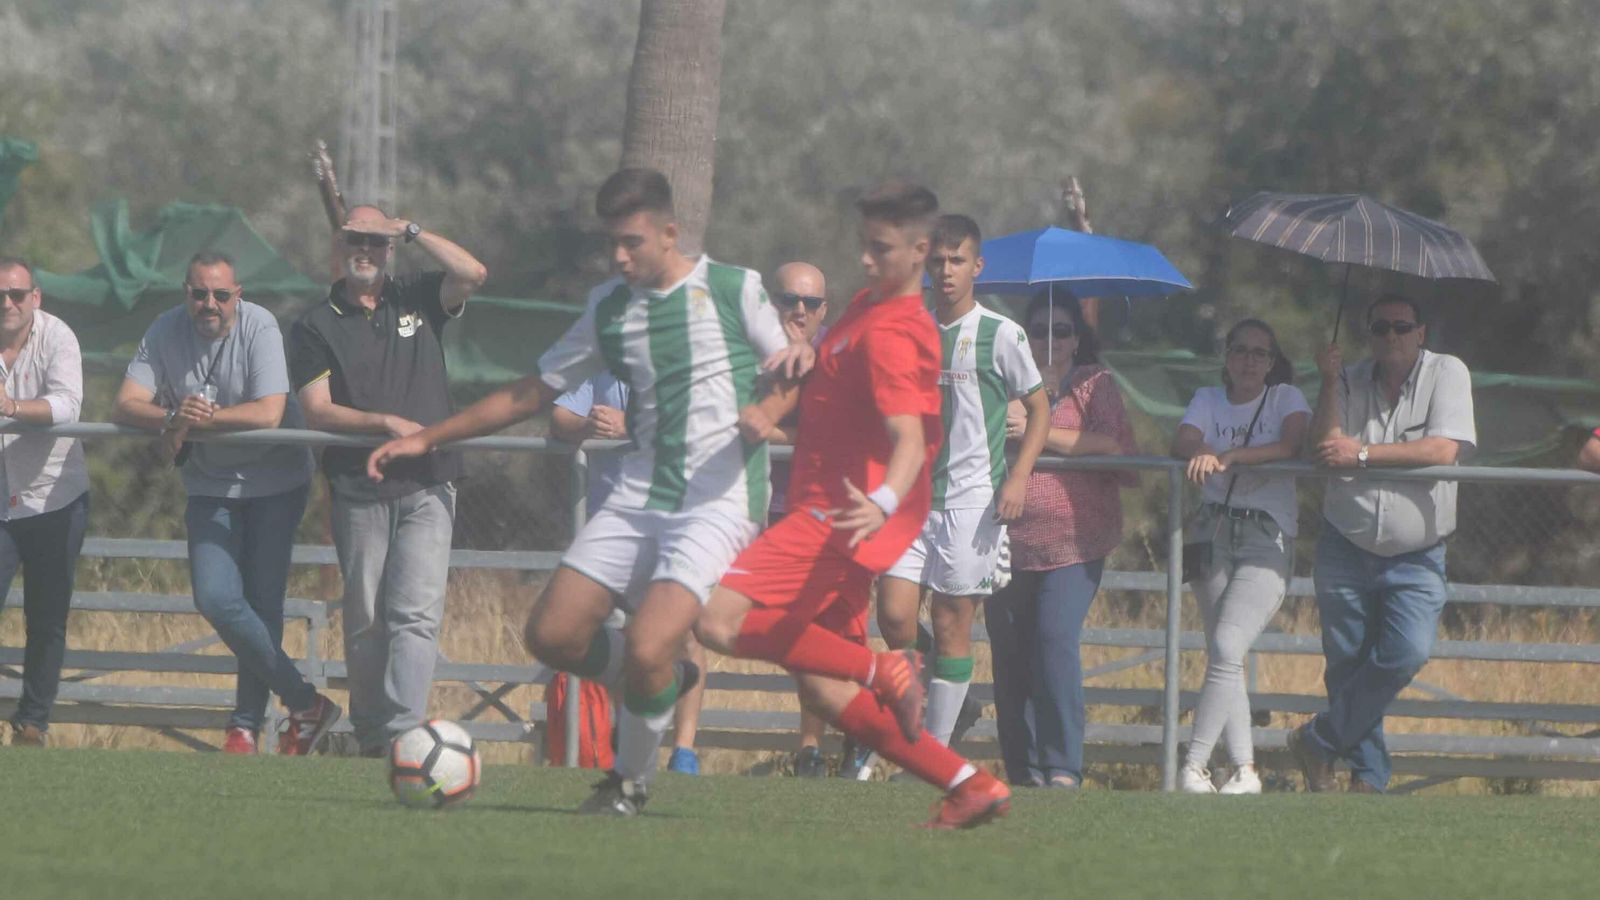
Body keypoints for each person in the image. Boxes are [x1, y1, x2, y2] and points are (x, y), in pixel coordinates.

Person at [366, 168, 791, 813]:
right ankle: (659, 681)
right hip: (639, 493)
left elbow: (791, 366)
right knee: (554, 636)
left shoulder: (734, 289)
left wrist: (771, 409)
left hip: (718, 502)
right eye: (611, 244)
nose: (619, 256)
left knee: (651, 641)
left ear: (670, 233)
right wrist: (428, 438)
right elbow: (531, 393)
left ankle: (629, 780)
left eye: (633, 242)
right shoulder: (610, 309)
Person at [694, 181, 1013, 829]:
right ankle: (969, 783)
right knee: (824, 686)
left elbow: (907, 438)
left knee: (716, 620)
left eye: (881, 249)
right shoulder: (867, 306)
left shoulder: (895, 331)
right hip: (839, 513)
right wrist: (774, 401)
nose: (865, 260)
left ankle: (883, 667)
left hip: (837, 519)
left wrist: (885, 499)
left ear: (920, 250)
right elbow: (821, 369)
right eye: (863, 246)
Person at [113, 252, 338, 755]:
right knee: (215, 597)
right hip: (210, 483)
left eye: (220, 294)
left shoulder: (261, 326)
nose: (208, 304)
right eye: (198, 293)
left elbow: (269, 412)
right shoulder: (164, 329)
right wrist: (173, 413)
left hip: (277, 482)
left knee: (263, 605)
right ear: (185, 293)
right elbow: (125, 403)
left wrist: (191, 422)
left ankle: (244, 728)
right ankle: (305, 703)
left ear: (238, 295)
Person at [288, 206, 487, 756]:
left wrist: (414, 230)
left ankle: (404, 736)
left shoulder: (418, 295)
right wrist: (383, 423)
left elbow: (473, 275)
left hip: (429, 483)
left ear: (391, 249)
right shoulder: (313, 324)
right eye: (357, 240)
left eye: (377, 243)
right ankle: (374, 735)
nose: (367, 252)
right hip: (358, 487)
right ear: (340, 245)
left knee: (415, 614)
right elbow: (317, 411)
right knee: (366, 619)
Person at [877, 214, 1049, 752]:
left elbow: (1039, 409)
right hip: (912, 499)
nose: (946, 272)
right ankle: (957, 702)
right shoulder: (911, 330)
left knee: (953, 621)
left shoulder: (1001, 333)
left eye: (957, 261)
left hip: (973, 501)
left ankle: (932, 749)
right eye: (937, 262)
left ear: (977, 266)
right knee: (894, 616)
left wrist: (1019, 475)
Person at [1291, 293, 1475, 794]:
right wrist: (1328, 381)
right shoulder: (1347, 378)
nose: (1390, 336)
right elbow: (1324, 446)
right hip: (1345, 541)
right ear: (1368, 335)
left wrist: (1364, 454)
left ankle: (1320, 739)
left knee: (1406, 653)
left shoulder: (1448, 373)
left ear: (1421, 333)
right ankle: (1367, 779)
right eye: (1379, 328)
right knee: (1346, 665)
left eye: (1400, 327)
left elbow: (1442, 448)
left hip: (1418, 551)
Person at [983, 290, 1137, 789]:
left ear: (1078, 338)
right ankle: (1023, 770)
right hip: (1006, 539)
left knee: (1054, 641)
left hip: (1076, 540)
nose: (1051, 340)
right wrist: (1026, 406)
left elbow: (1110, 443)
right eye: (1039, 331)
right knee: (1010, 655)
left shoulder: (1095, 384)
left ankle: (1063, 765)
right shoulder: (1003, 381)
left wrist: (1038, 427)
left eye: (1062, 330)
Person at [1170, 319, 1309, 794]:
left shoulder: (1285, 398)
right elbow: (1183, 438)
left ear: (1272, 363)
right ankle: (1246, 770)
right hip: (1212, 528)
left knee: (1227, 648)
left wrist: (1231, 457)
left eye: (1260, 354)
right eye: (1241, 351)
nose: (1249, 361)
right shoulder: (1208, 398)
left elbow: (1291, 444)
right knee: (1224, 656)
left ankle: (1193, 765)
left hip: (1265, 534)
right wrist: (1205, 448)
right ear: (1227, 356)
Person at [552, 374, 708, 777]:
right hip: (612, 524)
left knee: (686, 637)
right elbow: (558, 417)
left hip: (674, 517)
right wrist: (586, 426)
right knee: (597, 634)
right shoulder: (602, 358)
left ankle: (684, 751)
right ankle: (633, 747)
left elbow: (703, 424)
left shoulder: (686, 353)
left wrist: (631, 424)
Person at [0, 257, 89, 748]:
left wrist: (11, 407)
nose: (8, 304)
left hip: (54, 495)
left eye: (17, 294)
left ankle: (32, 723)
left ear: (36, 297)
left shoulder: (59, 337)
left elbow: (67, 405)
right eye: (1, 296)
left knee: (47, 617)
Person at [760, 262, 836, 778]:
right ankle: (681, 749)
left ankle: (811, 748)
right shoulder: (748, 346)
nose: (800, 311)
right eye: (789, 300)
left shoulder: (836, 357)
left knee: (815, 628)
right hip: (747, 507)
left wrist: (769, 431)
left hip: (819, 512)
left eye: (810, 303)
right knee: (703, 617)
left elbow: (829, 433)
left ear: (824, 310)